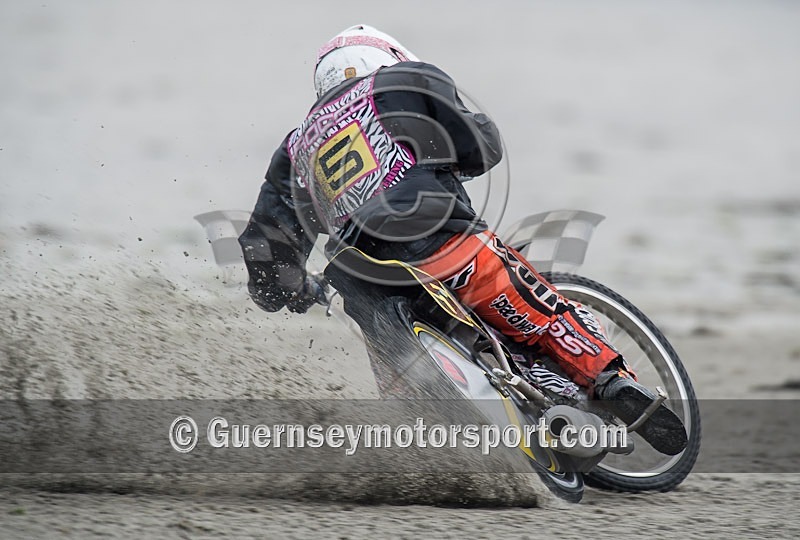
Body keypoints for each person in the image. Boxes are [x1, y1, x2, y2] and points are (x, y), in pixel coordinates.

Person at [238, 24, 687, 455]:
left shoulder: (295, 147)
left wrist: (297, 291)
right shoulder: (401, 80)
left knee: (403, 389)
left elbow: (267, 251)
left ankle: (435, 452)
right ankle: (612, 381)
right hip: (439, 238)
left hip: (361, 278)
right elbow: (479, 145)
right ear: (384, 56)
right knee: (543, 316)